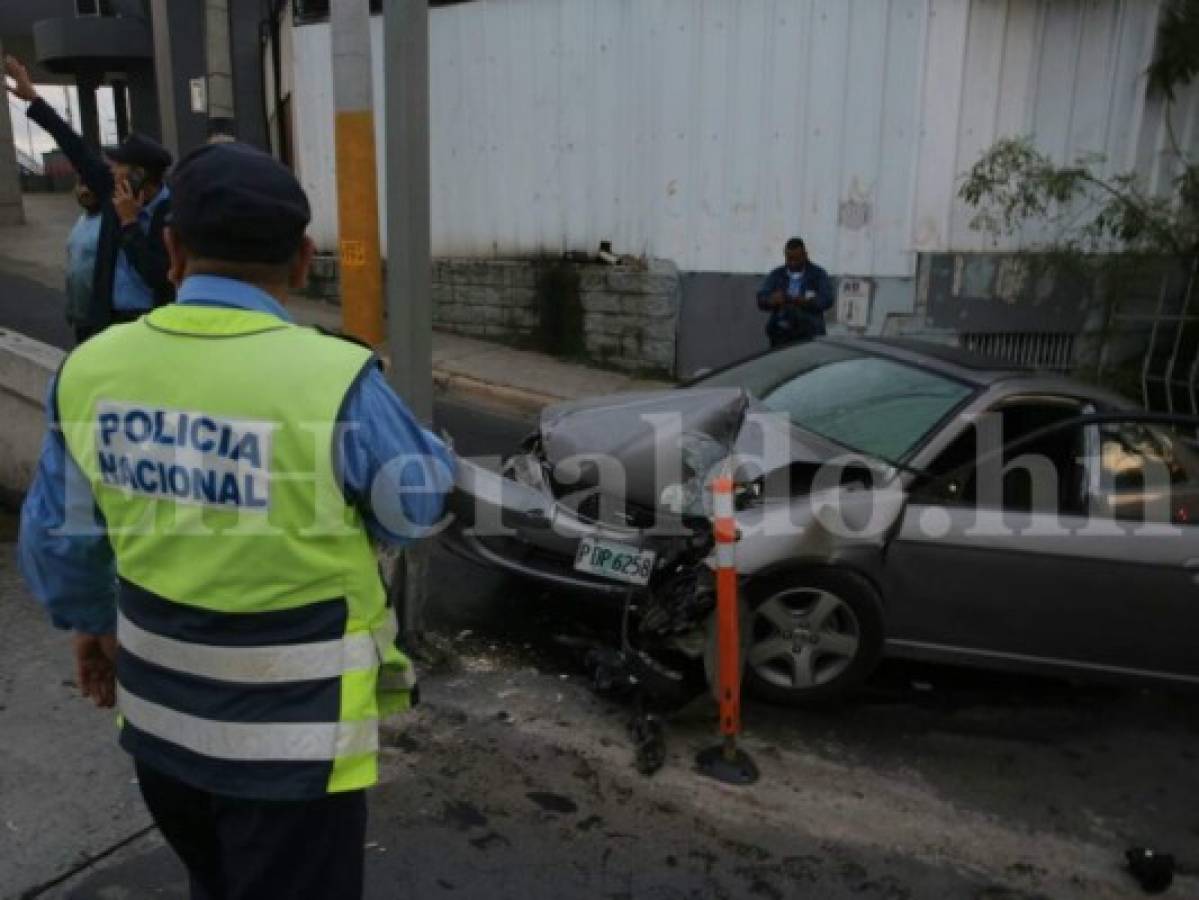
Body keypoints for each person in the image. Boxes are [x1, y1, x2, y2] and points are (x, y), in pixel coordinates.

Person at [17, 141, 457, 899]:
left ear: (172, 247)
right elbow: (417, 511)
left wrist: (89, 624)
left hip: (160, 727)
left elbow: (64, 537)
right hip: (295, 747)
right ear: (304, 259)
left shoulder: (91, 369)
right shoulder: (333, 377)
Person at [5, 55, 175, 330]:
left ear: (138, 175)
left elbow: (160, 276)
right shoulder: (112, 191)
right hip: (107, 321)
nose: (113, 170)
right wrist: (33, 98)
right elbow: (75, 147)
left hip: (152, 326)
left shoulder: (173, 213)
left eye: (120, 166)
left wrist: (130, 224)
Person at [756, 237, 834, 348]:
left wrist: (803, 301)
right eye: (789, 259)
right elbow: (761, 298)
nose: (793, 263)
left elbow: (827, 299)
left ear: (805, 255)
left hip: (809, 334)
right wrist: (771, 300)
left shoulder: (818, 274)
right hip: (781, 334)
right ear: (785, 256)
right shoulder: (777, 274)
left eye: (797, 259)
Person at [65, 179, 103, 344]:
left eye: (90, 184)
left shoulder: (110, 223)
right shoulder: (81, 220)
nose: (84, 190)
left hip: (101, 318)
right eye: (80, 184)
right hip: (80, 314)